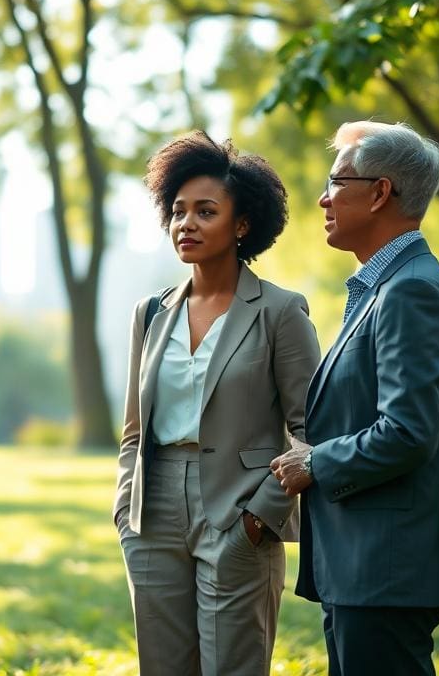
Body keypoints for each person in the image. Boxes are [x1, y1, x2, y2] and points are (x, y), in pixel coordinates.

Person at [270, 120, 439, 676]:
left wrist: (315, 462)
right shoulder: (386, 285)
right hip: (363, 565)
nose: (323, 197)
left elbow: (408, 433)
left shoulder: (409, 291)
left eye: (337, 181)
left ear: (379, 193)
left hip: (387, 566)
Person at [113, 131, 321, 676]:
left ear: (243, 223)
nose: (186, 223)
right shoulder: (150, 313)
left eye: (206, 211)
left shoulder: (281, 312)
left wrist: (261, 518)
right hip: (152, 511)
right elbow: (134, 428)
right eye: (178, 211)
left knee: (234, 666)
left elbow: (312, 430)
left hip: (239, 507)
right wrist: (126, 510)